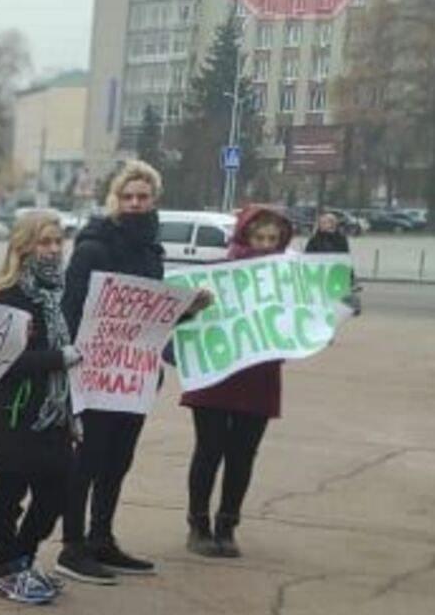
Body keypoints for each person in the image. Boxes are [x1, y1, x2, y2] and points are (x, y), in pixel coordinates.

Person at [53, 160, 213, 585]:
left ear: (154, 200)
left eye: (143, 197)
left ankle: (101, 537)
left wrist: (186, 309)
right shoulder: (93, 248)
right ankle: (72, 547)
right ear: (115, 200)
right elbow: (70, 310)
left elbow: (149, 321)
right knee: (86, 462)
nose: (136, 203)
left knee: (117, 462)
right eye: (128, 197)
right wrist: (69, 364)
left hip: (134, 377)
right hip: (93, 375)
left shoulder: (152, 252)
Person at [181, 205, 294, 559]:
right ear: (244, 236)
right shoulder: (216, 274)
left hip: (259, 377)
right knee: (208, 450)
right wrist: (193, 307)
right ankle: (198, 525)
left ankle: (227, 524)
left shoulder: (288, 280)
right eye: (258, 237)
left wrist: (336, 303)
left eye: (272, 239)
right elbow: (182, 319)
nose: (264, 245)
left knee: (243, 454)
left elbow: (302, 326)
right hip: (213, 374)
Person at [0, 212, 80, 606]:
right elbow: (4, 361)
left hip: (53, 415)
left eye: (57, 241)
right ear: (23, 247)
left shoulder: (60, 294)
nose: (53, 250)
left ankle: (22, 558)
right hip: (15, 416)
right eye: (44, 242)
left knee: (59, 492)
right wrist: (59, 357)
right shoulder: (9, 296)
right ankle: (7, 568)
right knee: (9, 497)